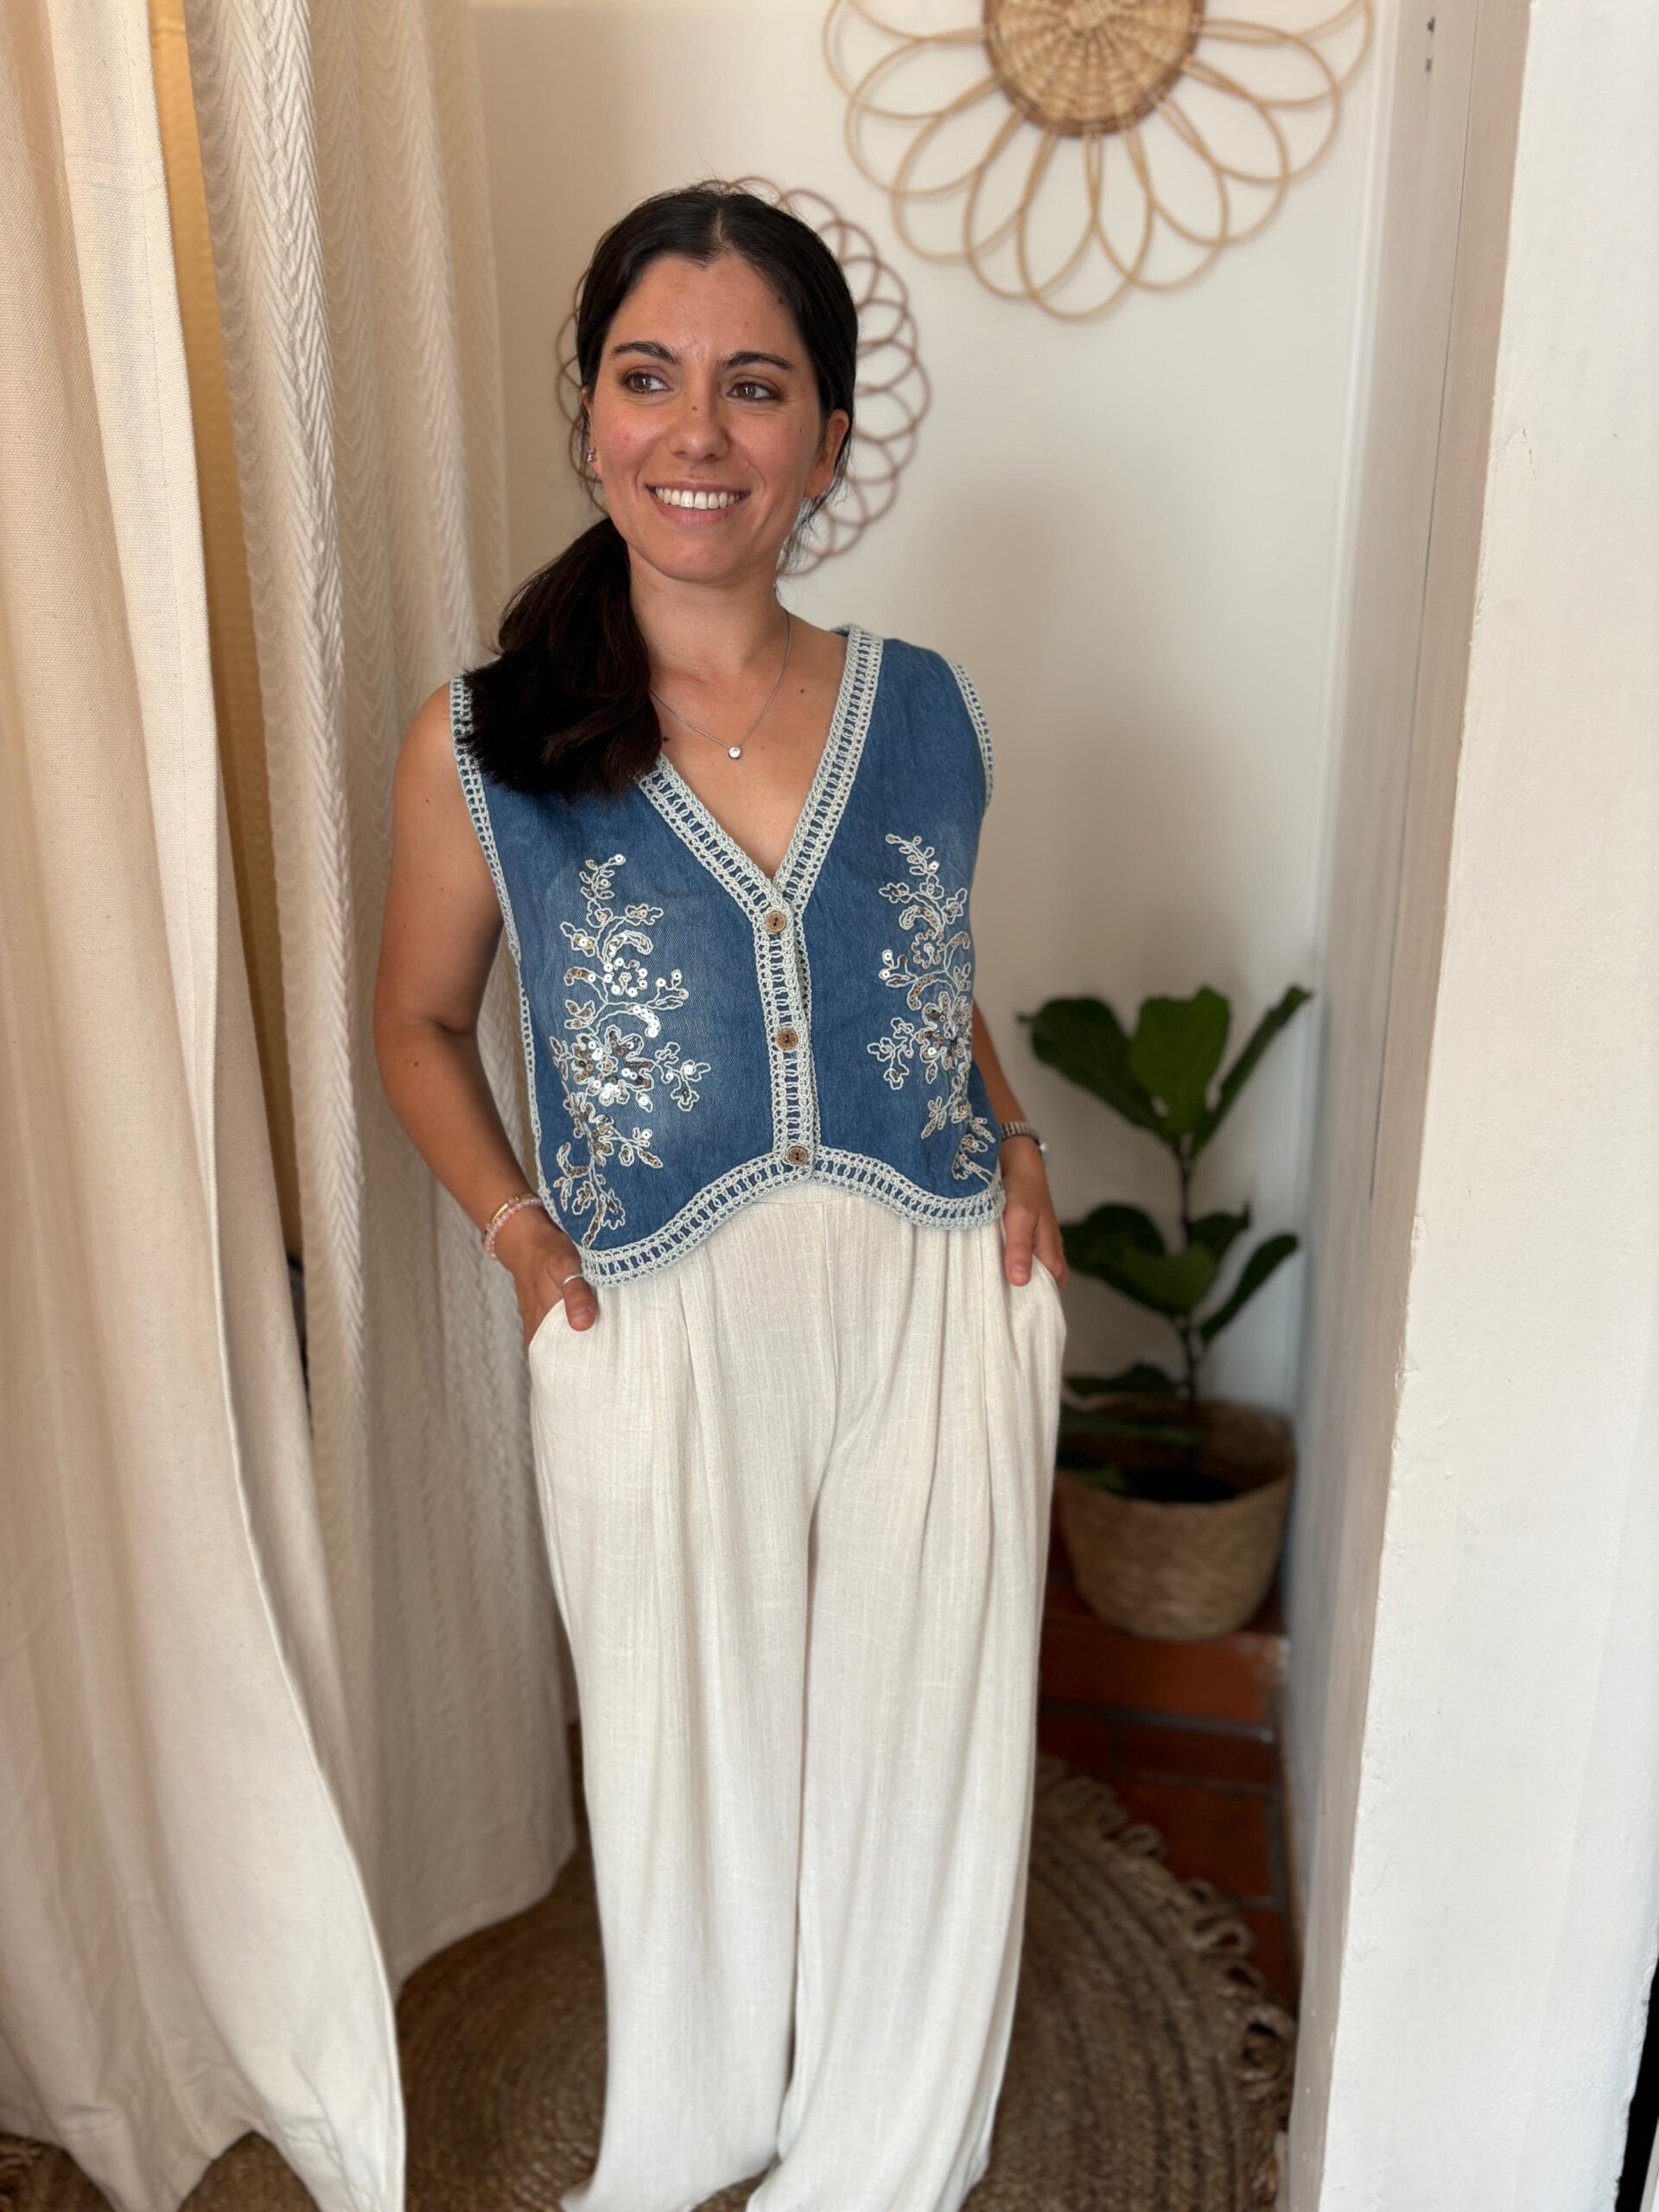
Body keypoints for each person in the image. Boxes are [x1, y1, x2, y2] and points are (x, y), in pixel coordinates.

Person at [374, 180, 1067, 2212]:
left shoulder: (926, 704)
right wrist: (523, 1239)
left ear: (826, 440)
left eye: (755, 387)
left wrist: (1020, 1136)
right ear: (589, 412)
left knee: (917, 1763)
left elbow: (920, 964)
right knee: (687, 1769)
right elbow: (416, 1023)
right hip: (655, 1315)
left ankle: (878, 2153)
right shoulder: (488, 742)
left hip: (933, 1292)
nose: (699, 431)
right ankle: (704, 2122)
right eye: (649, 376)